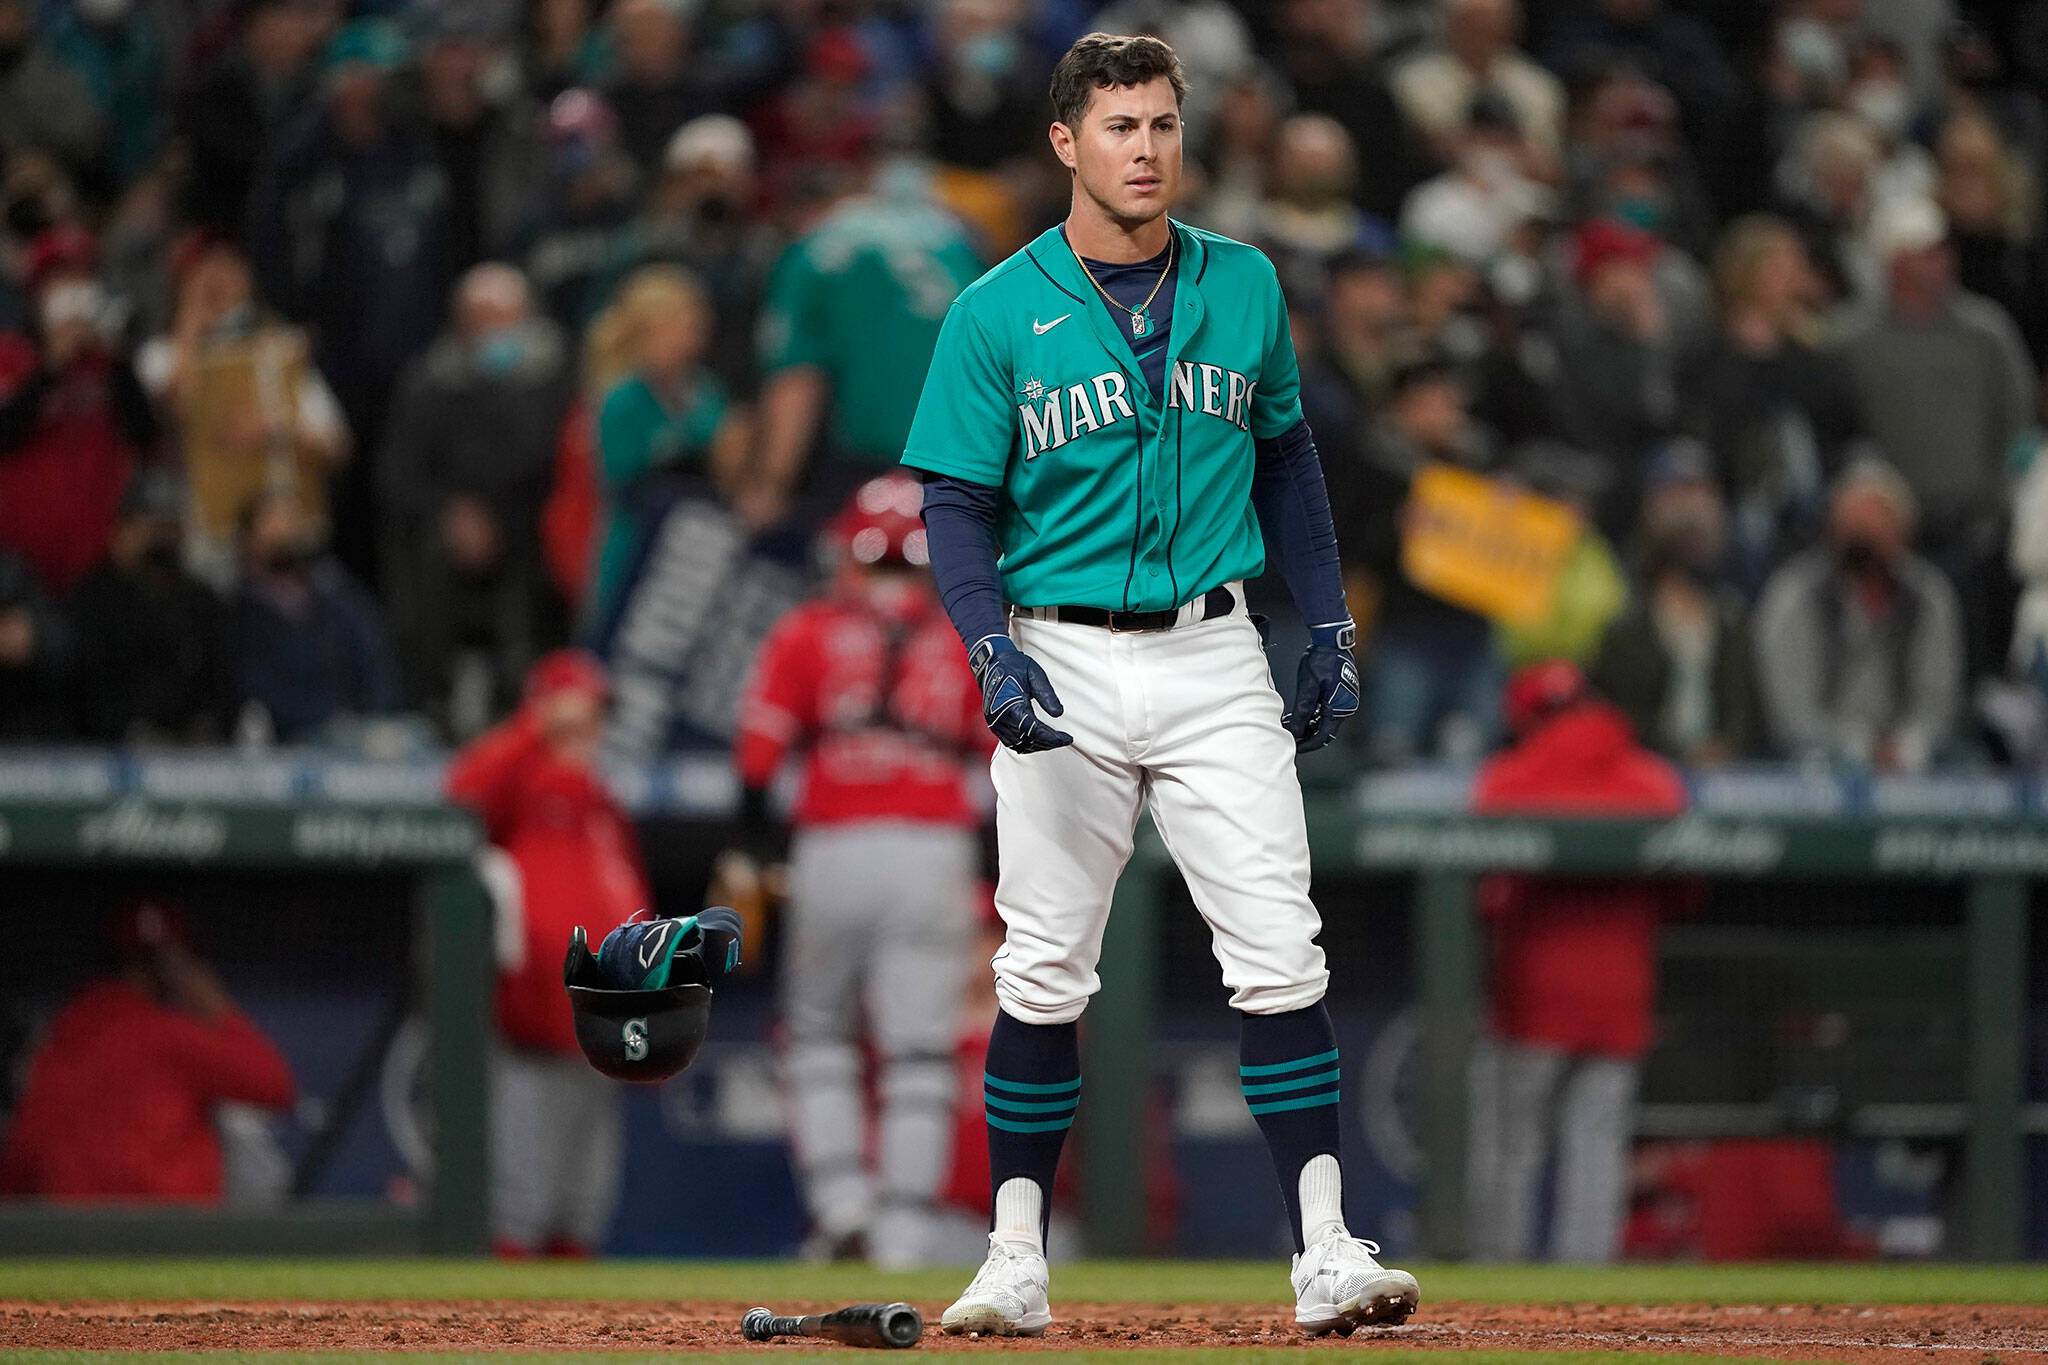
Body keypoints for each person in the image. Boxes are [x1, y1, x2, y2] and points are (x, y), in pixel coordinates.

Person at [902, 33, 1418, 1337]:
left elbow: (1290, 462)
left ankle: (1324, 1245)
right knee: (1041, 966)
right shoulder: (994, 308)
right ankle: (1015, 1257)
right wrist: (987, 644)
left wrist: (1329, 627)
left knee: (1277, 945)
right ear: (1066, 142)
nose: (1146, 149)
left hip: (1210, 644)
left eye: (1163, 125)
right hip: (1058, 641)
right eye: (1120, 126)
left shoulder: (1244, 285)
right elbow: (954, 505)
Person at [730, 473, 990, 1269]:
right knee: (918, 1051)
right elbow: (1008, 762)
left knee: (817, 1036)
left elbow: (755, 761)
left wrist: (751, 858)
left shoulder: (807, 629)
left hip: (834, 844)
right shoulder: (967, 633)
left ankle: (843, 1205)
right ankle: (904, 1235)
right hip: (932, 847)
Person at [1466, 659, 1690, 1263]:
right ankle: (1585, 1300)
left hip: (1531, 1001)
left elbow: (1490, 899)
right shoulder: (1654, 781)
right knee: (1596, 1155)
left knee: (1511, 1152)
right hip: (1621, 999)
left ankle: (1498, 1294)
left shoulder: (1506, 780)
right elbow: (1683, 894)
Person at [445, 649, 647, 1258]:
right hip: (537, 1008)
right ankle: (505, 1334)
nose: (590, 730)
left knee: (582, 1198)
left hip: (608, 1017)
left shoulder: (601, 801)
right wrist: (537, 726)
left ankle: (573, 1334)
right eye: (577, 716)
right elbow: (459, 793)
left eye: (595, 716)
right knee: (523, 1194)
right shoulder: (522, 785)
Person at [378, 263, 572, 739]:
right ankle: (432, 702)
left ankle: (522, 700)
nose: (489, 329)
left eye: (501, 315)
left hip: (525, 519)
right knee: (423, 556)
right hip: (445, 525)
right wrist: (453, 512)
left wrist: (493, 513)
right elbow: (399, 470)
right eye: (477, 316)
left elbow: (548, 458)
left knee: (538, 553)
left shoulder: (555, 379)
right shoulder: (427, 381)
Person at [0, 897, 296, 1202]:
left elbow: (25, 1147)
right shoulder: (167, 1033)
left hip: (81, 1233)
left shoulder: (70, 1028)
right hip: (166, 1230)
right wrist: (218, 1008)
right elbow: (275, 1085)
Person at [747, 153, 982, 535]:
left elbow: (798, 383)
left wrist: (769, 487)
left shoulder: (813, 253)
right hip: (962, 464)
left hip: (864, 468)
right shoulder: (955, 243)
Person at [1751, 458, 1964, 774]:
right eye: (1851, 520)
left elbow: (1939, 702)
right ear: (1831, 527)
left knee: (1961, 762)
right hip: (1813, 760)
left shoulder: (1930, 596)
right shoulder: (1794, 595)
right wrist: (1859, 747)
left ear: (1903, 530)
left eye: (1876, 519)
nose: (1863, 531)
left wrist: (1906, 746)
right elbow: (1790, 712)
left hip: (1913, 761)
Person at [68, 468, 232, 743]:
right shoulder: (94, 597)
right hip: (110, 750)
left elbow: (222, 683)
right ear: (122, 531)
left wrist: (206, 726)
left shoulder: (202, 600)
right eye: (150, 528)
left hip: (196, 751)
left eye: (169, 528)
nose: (161, 540)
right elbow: (85, 687)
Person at [230, 488, 400, 744]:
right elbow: (252, 685)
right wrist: (320, 717)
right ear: (249, 538)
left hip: (361, 727)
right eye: (273, 521)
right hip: (295, 735)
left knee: (416, 737)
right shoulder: (241, 610)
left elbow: (373, 658)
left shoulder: (336, 594)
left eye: (291, 520)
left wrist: (373, 715)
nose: (285, 531)